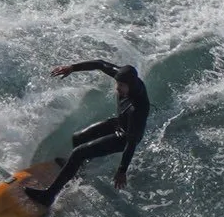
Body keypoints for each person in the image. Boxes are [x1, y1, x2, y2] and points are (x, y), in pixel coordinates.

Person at [22, 58, 151, 208]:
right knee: (79, 138)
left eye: (121, 86)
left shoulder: (138, 108)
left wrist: (122, 170)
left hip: (126, 136)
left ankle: (48, 197)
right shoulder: (123, 75)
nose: (117, 88)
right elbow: (100, 64)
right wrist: (72, 68)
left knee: (78, 153)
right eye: (117, 83)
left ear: (131, 85)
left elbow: (131, 141)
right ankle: (76, 170)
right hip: (119, 122)